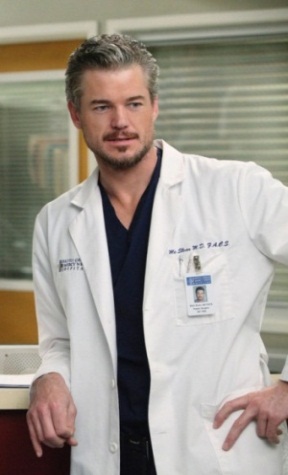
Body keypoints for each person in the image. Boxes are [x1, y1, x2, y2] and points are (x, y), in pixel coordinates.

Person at [26, 34, 288, 475]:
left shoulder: (237, 189)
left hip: (218, 451)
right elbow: (59, 341)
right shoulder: (55, 223)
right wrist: (48, 378)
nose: (120, 122)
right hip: (111, 454)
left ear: (155, 106)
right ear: (76, 114)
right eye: (101, 106)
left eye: (133, 103)